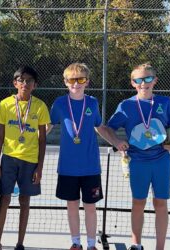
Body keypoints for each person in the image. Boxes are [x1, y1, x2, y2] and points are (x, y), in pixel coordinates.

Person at [48, 63, 125, 250]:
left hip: (90, 166)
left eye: (80, 79)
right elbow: (46, 127)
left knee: (90, 207)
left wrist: (117, 143)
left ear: (87, 82)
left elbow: (100, 127)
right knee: (72, 206)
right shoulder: (59, 104)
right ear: (65, 82)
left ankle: (91, 245)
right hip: (67, 167)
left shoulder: (92, 103)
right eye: (72, 80)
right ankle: (76, 243)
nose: (76, 84)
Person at [107, 63, 170, 250]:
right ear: (133, 83)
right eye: (138, 80)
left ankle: (160, 247)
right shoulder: (126, 105)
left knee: (161, 203)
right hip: (137, 162)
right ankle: (136, 244)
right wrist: (117, 141)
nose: (143, 83)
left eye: (148, 78)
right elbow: (108, 129)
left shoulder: (165, 102)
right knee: (138, 202)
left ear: (155, 80)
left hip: (161, 160)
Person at [0, 66, 50, 250]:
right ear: (15, 83)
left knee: (25, 201)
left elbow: (42, 140)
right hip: (8, 159)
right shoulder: (5, 104)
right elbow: (0, 136)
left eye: (29, 81)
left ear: (35, 85)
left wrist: (40, 167)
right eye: (21, 80)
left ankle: (20, 244)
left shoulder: (40, 106)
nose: (25, 83)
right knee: (5, 199)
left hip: (30, 161)